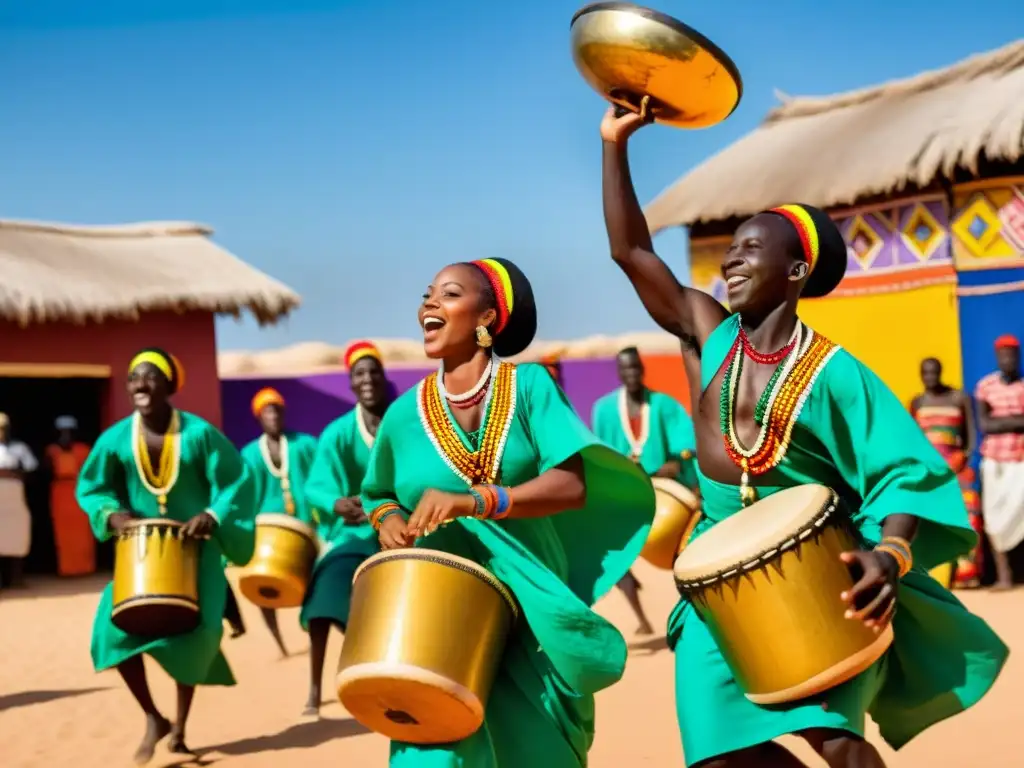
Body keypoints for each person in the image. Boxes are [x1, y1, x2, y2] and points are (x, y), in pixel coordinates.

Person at [601, 106, 1007, 767]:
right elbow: (632, 251)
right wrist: (613, 144)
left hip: (816, 570)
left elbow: (901, 469)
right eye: (730, 245)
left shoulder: (835, 374)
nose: (732, 256)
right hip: (715, 577)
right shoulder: (708, 333)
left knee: (841, 747)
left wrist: (893, 554)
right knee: (717, 755)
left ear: (795, 273)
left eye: (751, 247)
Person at [361, 258, 655, 767]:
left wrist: (479, 499)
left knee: (536, 753)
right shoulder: (403, 414)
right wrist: (388, 520)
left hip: (530, 617)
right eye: (427, 294)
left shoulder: (531, 388)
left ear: (487, 318)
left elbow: (571, 484)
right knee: (432, 752)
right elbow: (379, 492)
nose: (429, 304)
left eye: (448, 294)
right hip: (435, 619)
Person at [76, 348, 255, 765]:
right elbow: (93, 487)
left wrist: (213, 514)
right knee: (111, 632)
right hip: (139, 558)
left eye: (150, 377)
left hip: (199, 555)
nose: (140, 384)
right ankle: (153, 717)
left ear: (170, 384)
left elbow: (236, 482)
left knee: (195, 637)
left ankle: (180, 728)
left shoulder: (199, 434)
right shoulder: (116, 439)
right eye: (133, 378)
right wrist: (109, 513)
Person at [299, 340, 388, 717]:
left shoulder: (399, 423)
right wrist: (337, 503)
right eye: (359, 373)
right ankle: (315, 690)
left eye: (373, 372)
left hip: (396, 533)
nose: (366, 379)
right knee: (321, 600)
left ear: (382, 378)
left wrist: (384, 510)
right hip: (350, 535)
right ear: (350, 382)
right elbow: (317, 484)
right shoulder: (337, 432)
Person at [592, 346, 698, 635]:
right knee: (608, 552)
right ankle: (640, 616)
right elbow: (600, 456)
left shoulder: (664, 405)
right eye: (626, 369)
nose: (632, 374)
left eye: (636, 368)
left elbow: (684, 448)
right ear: (618, 372)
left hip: (662, 494)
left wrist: (674, 462)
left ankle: (693, 611)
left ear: (642, 368)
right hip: (623, 494)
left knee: (681, 547)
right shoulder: (603, 410)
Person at [239, 386, 318, 658]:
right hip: (266, 530)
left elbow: (320, 477)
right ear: (259, 417)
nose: (272, 415)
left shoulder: (305, 444)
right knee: (263, 583)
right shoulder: (249, 454)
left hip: (304, 526)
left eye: (277, 410)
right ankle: (279, 643)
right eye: (267, 411)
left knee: (315, 579)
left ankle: (312, 628)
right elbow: (245, 494)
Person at [910, 359, 983, 588]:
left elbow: (971, 435)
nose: (930, 377)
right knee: (927, 519)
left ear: (940, 372)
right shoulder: (917, 402)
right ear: (921, 375)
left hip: (957, 467)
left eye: (934, 372)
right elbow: (911, 439)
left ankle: (967, 574)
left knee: (968, 515)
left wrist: (964, 456)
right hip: (929, 471)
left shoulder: (959, 398)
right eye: (926, 373)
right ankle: (931, 577)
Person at [974, 334, 1024, 590]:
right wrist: (1017, 420)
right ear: (997, 356)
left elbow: (994, 423)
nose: (1008, 359)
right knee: (994, 517)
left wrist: (1000, 423)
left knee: (1021, 516)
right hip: (994, 461)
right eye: (1003, 354)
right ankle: (1004, 577)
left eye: (1012, 354)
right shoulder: (986, 386)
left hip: (1021, 459)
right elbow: (985, 424)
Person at [45, 415, 96, 577]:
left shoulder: (84, 450)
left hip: (79, 490)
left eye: (69, 432)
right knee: (62, 533)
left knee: (83, 533)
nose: (65, 436)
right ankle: (66, 569)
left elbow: (92, 473)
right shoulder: (51, 451)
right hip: (60, 492)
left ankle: (85, 568)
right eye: (62, 432)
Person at [0, 412, 39, 589]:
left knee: (17, 536)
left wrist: (13, 474)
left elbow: (32, 470)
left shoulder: (20, 448)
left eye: (4, 428)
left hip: (15, 498)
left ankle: (16, 578)